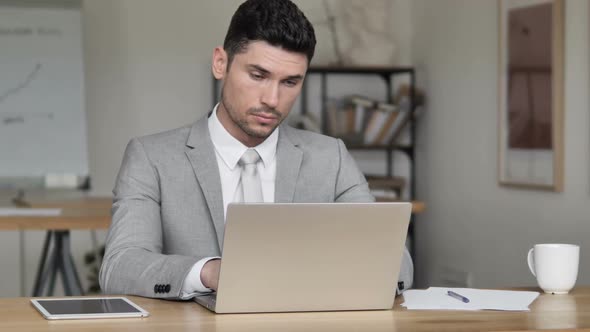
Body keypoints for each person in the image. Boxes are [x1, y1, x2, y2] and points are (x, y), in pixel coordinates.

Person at [99, 0, 413, 299]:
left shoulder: (331, 158)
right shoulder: (152, 158)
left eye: (290, 82)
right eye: (258, 75)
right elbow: (120, 265)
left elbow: (397, 263)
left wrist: (313, 276)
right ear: (220, 63)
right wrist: (210, 272)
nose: (272, 100)